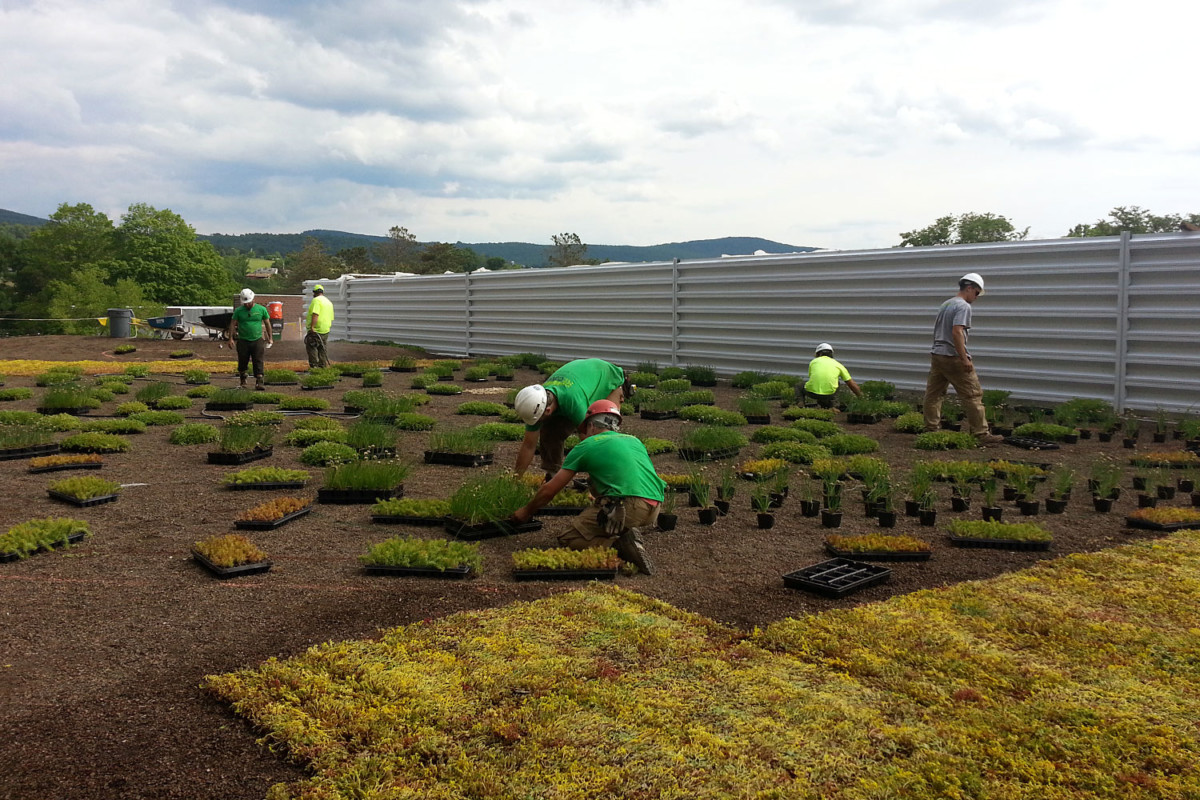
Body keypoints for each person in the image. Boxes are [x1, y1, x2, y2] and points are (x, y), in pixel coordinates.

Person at [512, 399, 664, 575]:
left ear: (591, 426)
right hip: (655, 507)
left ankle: (618, 544)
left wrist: (526, 511)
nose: (583, 435)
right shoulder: (634, 441)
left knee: (569, 538)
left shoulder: (587, 445)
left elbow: (550, 490)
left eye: (584, 430)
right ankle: (628, 531)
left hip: (627, 505)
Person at [512, 358, 630, 477]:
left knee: (602, 433)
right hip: (583, 378)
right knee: (550, 431)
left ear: (547, 410)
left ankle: (612, 480)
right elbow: (528, 445)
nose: (537, 422)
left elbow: (590, 442)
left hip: (610, 379)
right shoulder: (537, 402)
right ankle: (552, 474)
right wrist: (516, 478)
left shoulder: (574, 402)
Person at [923, 272, 1003, 444]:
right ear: (969, 288)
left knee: (934, 393)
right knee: (973, 394)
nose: (976, 297)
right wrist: (964, 359)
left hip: (938, 354)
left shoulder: (946, 304)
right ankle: (981, 434)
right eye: (976, 293)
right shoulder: (963, 306)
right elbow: (957, 331)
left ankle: (931, 429)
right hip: (953, 356)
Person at [228, 288, 272, 390]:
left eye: (248, 302)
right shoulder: (239, 311)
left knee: (258, 360)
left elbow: (267, 323)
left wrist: (270, 337)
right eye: (245, 303)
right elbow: (232, 324)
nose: (247, 305)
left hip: (257, 339)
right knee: (242, 361)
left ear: (253, 299)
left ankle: (259, 382)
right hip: (243, 340)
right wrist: (230, 338)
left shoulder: (261, 310)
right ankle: (243, 381)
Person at [803, 343, 862, 408]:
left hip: (812, 393)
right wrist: (861, 397)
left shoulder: (813, 362)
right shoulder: (838, 365)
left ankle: (800, 405)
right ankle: (833, 405)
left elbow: (812, 377)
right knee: (837, 383)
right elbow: (850, 383)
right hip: (830, 394)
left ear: (818, 353)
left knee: (799, 386)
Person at [305, 284, 334, 369]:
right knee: (322, 348)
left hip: (316, 329)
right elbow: (331, 317)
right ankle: (322, 366)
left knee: (312, 347)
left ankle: (314, 367)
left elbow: (315, 314)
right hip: (325, 329)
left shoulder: (316, 300)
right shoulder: (328, 302)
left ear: (314, 292)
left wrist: (312, 327)